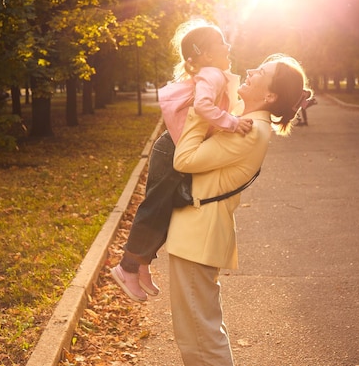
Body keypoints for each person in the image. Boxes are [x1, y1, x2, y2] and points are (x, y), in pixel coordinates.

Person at [166, 53, 314, 365]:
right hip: (197, 234)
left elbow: (184, 160)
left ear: (270, 95)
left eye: (260, 71)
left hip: (199, 236)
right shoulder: (242, 121)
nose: (250, 70)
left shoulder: (250, 131)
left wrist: (199, 111)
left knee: (202, 339)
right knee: (195, 337)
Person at [110, 19, 253, 302]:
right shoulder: (211, 74)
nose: (228, 46)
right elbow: (203, 106)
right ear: (206, 55)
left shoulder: (213, 71)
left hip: (174, 147)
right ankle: (127, 267)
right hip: (171, 149)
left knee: (164, 209)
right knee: (155, 208)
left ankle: (141, 265)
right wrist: (232, 123)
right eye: (222, 42)